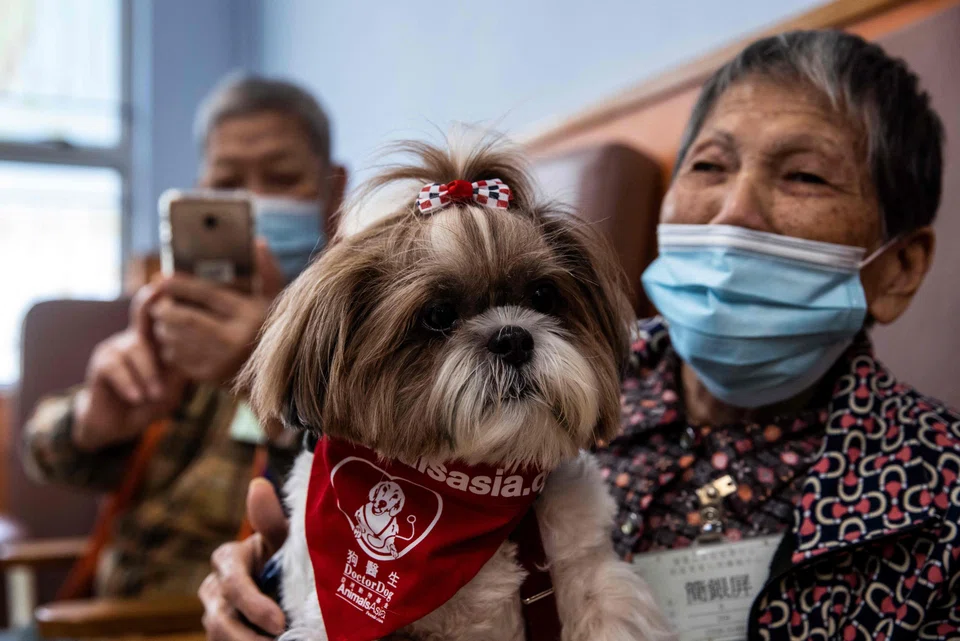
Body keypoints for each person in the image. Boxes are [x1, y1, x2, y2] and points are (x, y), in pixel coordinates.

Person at [199, 30, 959, 641]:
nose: (734, 210)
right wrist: (274, 578)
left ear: (900, 268)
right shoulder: (613, 367)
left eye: (804, 177)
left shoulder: (937, 503)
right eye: (709, 164)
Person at [22, 73, 346, 599]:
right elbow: (46, 455)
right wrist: (93, 422)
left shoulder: (359, 331)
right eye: (225, 185)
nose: (253, 203)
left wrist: (265, 371)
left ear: (334, 188)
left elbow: (370, 510)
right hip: (106, 616)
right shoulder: (177, 318)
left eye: (282, 178)